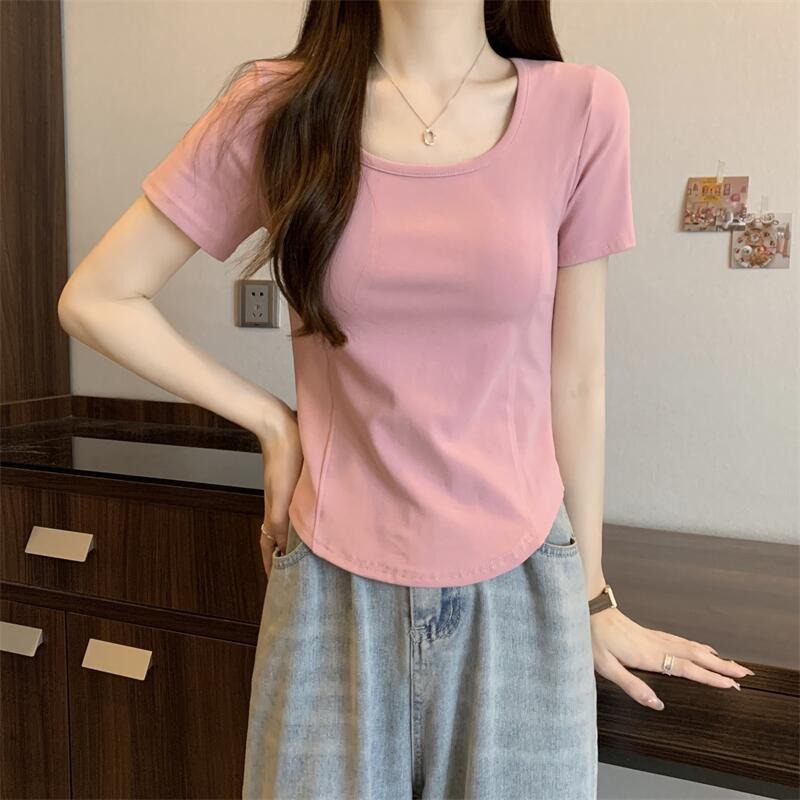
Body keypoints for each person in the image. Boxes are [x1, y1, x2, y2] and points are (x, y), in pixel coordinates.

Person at [57, 1, 755, 798]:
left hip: (523, 585)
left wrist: (590, 596)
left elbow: (578, 377)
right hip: (329, 590)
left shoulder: (583, 108)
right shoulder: (278, 108)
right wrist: (273, 425)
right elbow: (98, 297)